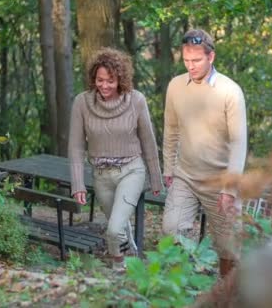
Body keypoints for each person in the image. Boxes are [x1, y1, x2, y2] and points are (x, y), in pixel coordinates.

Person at [162, 29, 248, 278]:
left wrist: (230, 189)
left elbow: (239, 143)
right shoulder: (176, 86)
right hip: (185, 176)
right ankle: (182, 287)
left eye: (196, 60)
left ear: (211, 57)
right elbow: (171, 130)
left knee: (229, 247)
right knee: (172, 230)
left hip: (220, 180)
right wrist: (168, 167)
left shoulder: (230, 91)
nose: (190, 66)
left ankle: (224, 293)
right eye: (186, 60)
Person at [68, 47, 163, 271]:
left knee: (113, 230)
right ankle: (132, 255)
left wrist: (156, 179)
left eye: (110, 81)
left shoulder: (136, 100)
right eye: (100, 80)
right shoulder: (82, 103)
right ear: (94, 79)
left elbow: (148, 142)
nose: (105, 86)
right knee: (117, 227)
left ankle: (118, 269)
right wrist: (77, 184)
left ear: (121, 79)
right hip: (101, 176)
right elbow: (76, 146)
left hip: (131, 170)